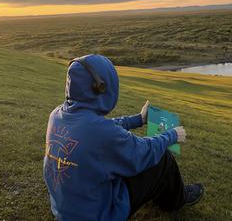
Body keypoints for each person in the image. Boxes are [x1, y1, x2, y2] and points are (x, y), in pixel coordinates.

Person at [43, 54, 204, 221]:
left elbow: (101, 127)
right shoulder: (102, 132)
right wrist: (172, 135)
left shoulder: (56, 115)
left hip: (66, 210)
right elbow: (143, 151)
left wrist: (138, 119)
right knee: (163, 158)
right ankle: (178, 199)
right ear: (100, 87)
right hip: (100, 214)